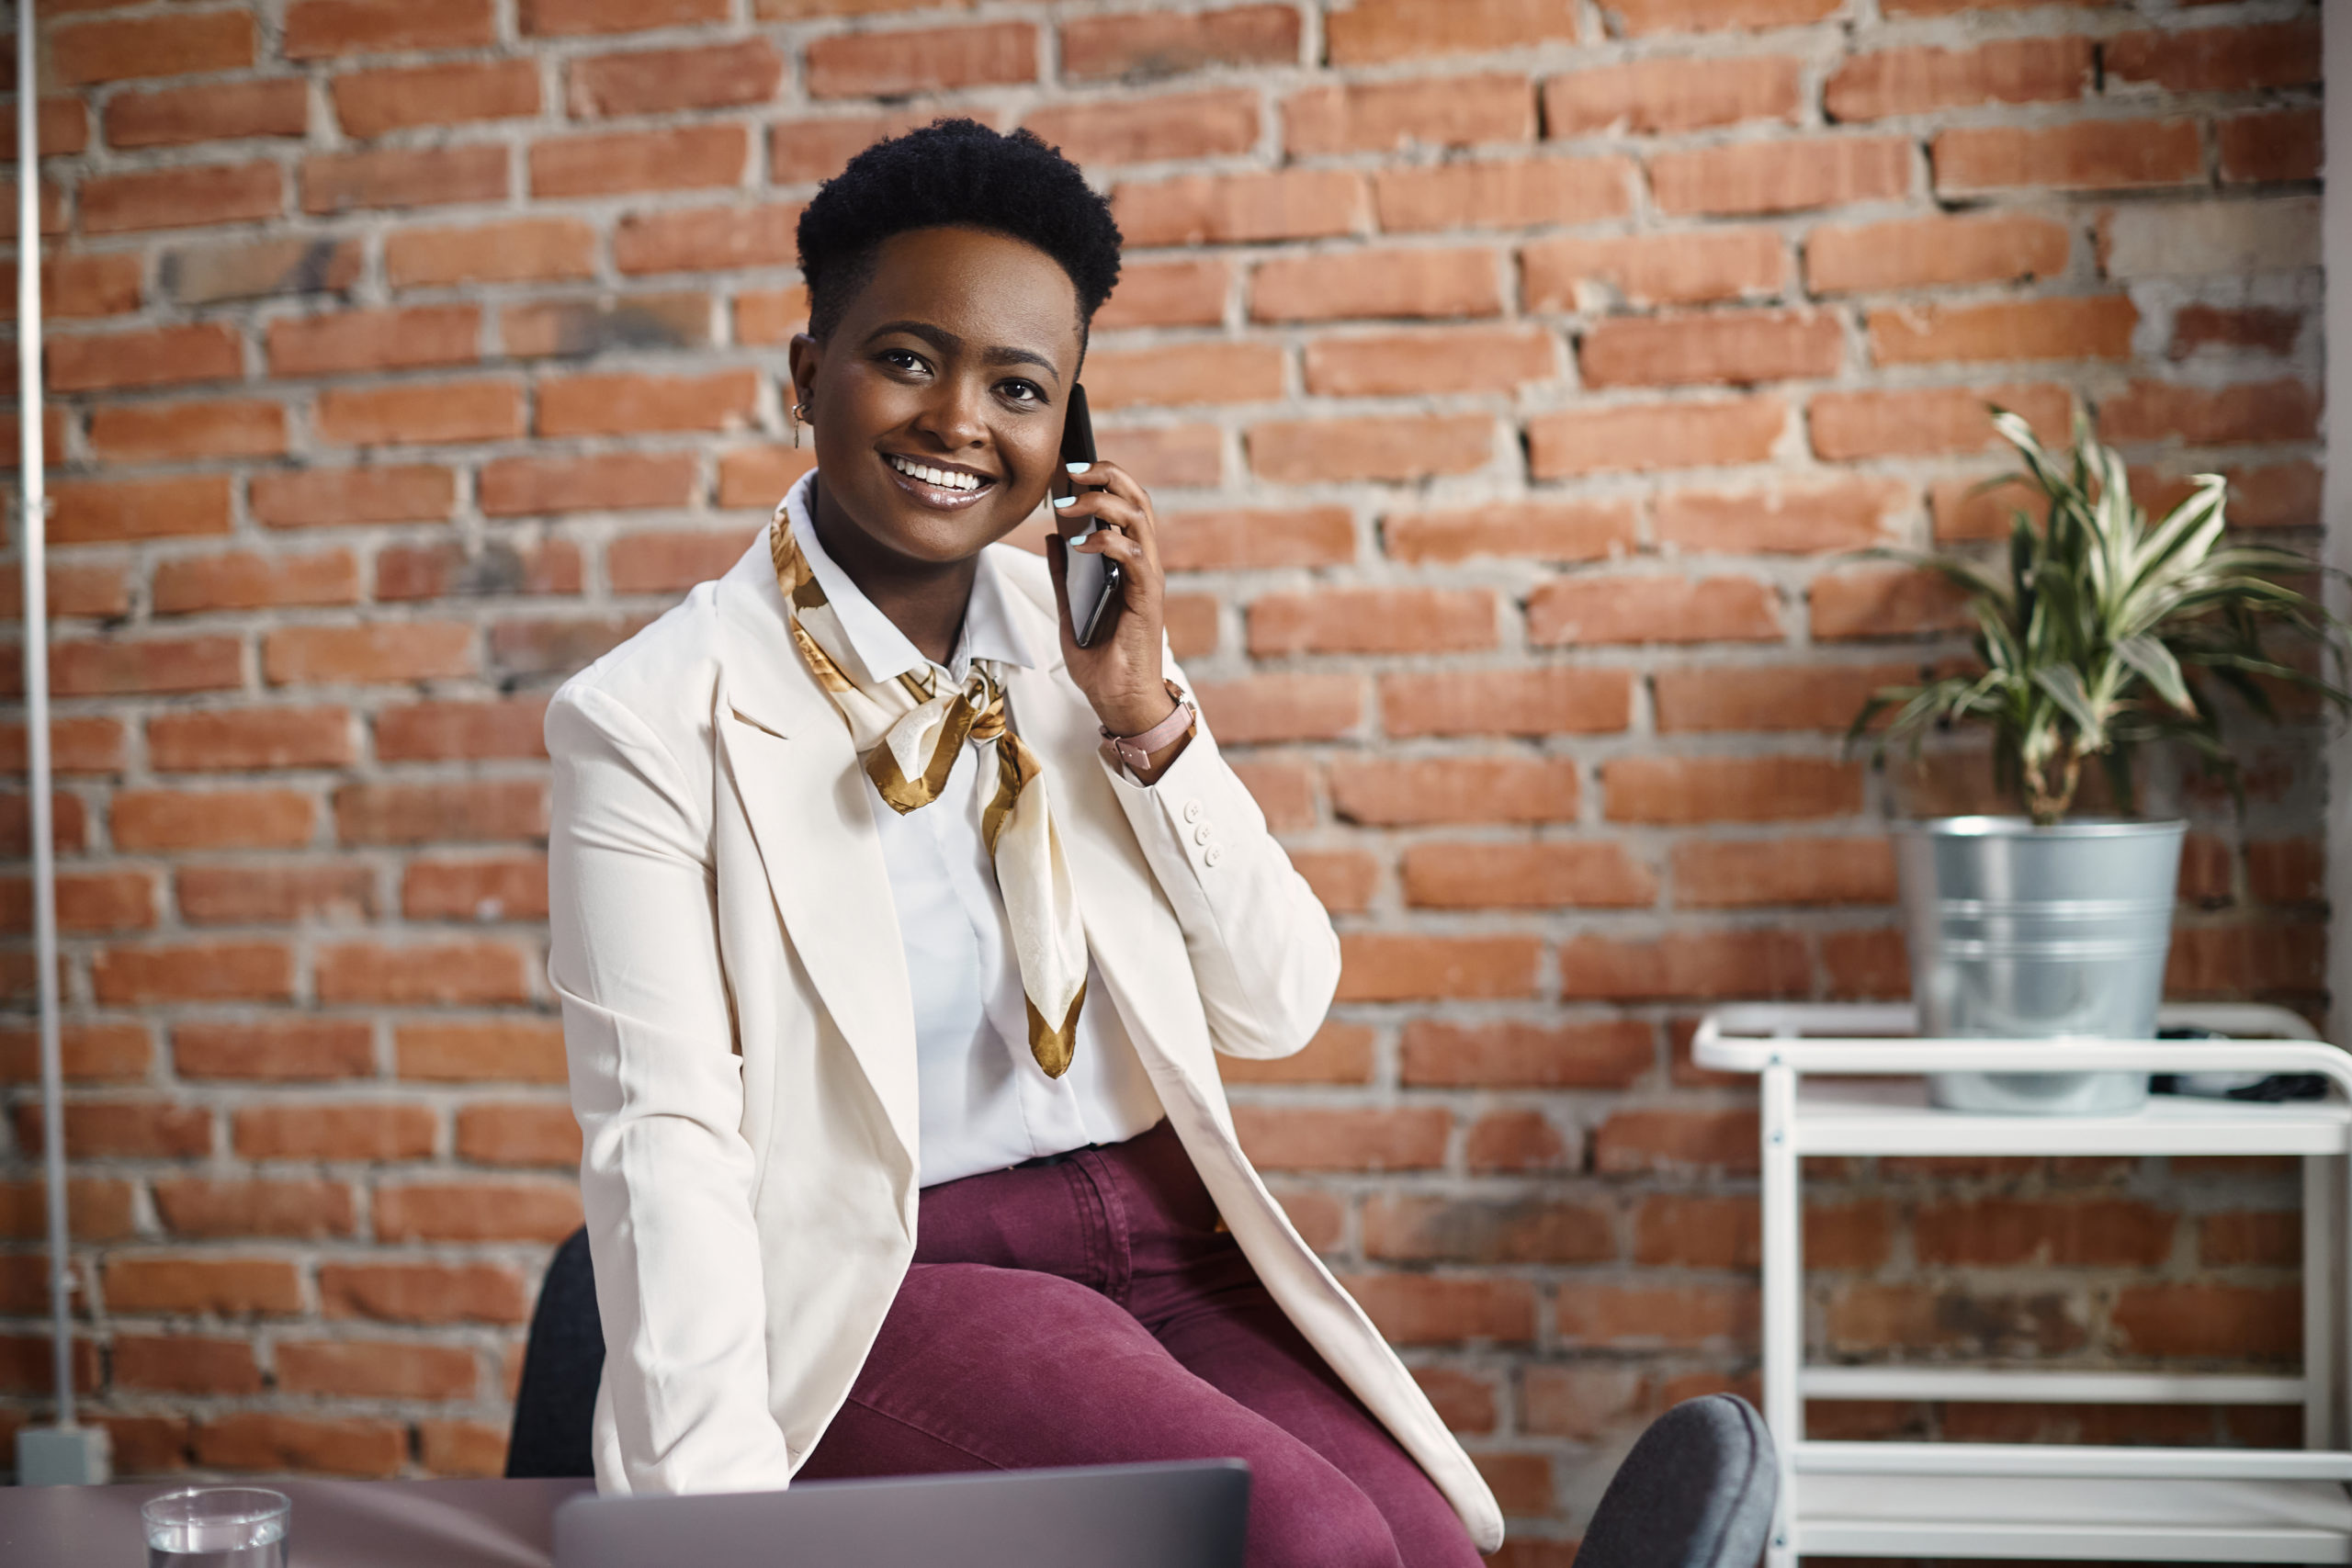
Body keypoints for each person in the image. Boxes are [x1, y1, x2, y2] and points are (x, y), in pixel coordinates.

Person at [544, 119, 1499, 1568]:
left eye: (1019, 387)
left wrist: (1148, 722)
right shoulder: (652, 717)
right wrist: (705, 1536)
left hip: (1170, 1239)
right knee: (1304, 1540)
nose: (958, 424)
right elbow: (659, 1139)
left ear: (1069, 432)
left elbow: (1277, 1001)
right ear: (809, 377)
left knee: (1423, 1542)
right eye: (908, 360)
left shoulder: (1086, 652)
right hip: (905, 1270)